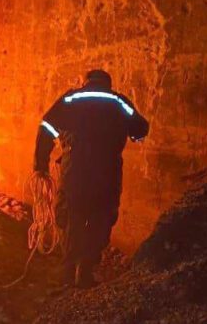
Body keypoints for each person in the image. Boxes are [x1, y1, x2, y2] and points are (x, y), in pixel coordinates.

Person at [33, 69, 149, 288]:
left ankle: (67, 272)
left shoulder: (71, 98)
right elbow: (142, 129)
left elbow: (46, 126)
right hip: (107, 171)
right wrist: (128, 133)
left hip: (75, 170)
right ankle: (85, 272)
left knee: (71, 216)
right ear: (108, 84)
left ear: (85, 82)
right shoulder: (118, 101)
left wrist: (41, 164)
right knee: (100, 217)